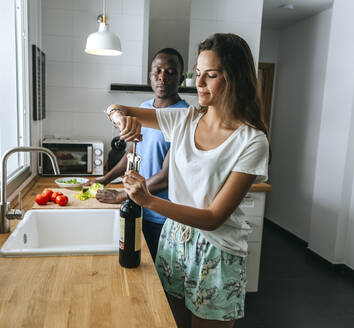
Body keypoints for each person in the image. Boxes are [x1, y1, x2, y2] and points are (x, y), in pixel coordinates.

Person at [105, 33, 270, 328]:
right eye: (197, 75)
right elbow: (116, 109)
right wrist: (122, 121)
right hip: (175, 241)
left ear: (234, 78)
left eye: (211, 75)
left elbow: (213, 218)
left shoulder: (251, 140)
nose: (200, 84)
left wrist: (148, 200)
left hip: (216, 251)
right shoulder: (183, 120)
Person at [92, 48, 190, 261]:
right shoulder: (144, 109)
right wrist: (105, 180)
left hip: (161, 217)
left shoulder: (185, 117)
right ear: (150, 75)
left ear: (181, 79)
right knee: (132, 265)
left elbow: (166, 176)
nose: (162, 77)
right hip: (135, 206)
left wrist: (120, 196)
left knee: (154, 277)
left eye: (170, 72)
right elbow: (132, 153)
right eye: (158, 71)